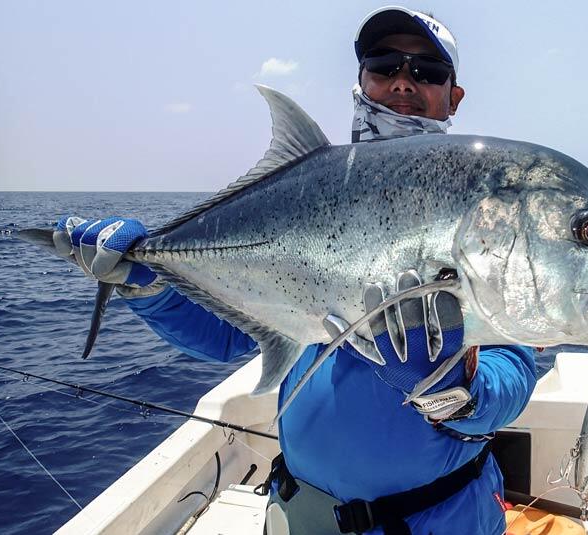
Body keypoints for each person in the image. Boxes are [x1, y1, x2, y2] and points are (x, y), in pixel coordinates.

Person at [57, 7, 537, 534]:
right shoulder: (307, 193)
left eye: (427, 72)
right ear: (360, 82)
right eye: (384, 66)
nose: (403, 81)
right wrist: (147, 286)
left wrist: (448, 389)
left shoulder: (482, 204)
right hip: (298, 516)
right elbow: (225, 337)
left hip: (436, 521)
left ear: (454, 95)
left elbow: (510, 377)